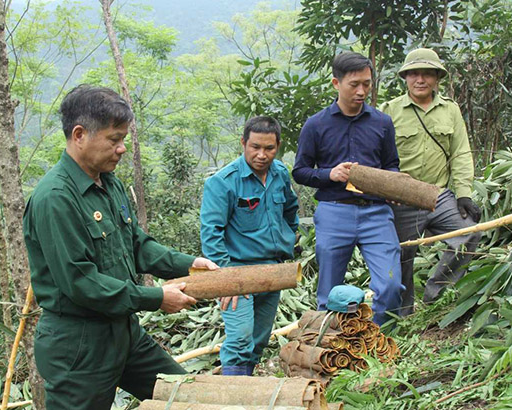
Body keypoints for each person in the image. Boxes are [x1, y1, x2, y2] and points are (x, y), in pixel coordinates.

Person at [23, 84, 218, 409]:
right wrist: (157, 298)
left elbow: (137, 246)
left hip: (123, 332)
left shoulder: (107, 183)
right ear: (80, 134)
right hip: (79, 344)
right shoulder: (56, 198)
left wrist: (189, 264)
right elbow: (81, 282)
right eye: (114, 140)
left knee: (185, 396)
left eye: (123, 139)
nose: (122, 148)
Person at [293, 51, 403, 326]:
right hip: (333, 212)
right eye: (354, 84)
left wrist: (396, 184)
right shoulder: (316, 124)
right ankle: (329, 349)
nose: (362, 90)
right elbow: (300, 171)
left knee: (389, 287)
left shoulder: (382, 122)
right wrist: (330, 174)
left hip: (377, 213)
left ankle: (379, 347)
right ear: (335, 83)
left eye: (367, 84)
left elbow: (391, 164)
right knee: (330, 293)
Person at [379, 48, 482, 315]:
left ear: (437, 78)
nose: (420, 79)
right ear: (405, 78)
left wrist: (463, 194)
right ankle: (404, 314)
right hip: (400, 198)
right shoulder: (389, 111)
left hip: (439, 194)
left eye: (427, 74)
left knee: (469, 232)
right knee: (401, 257)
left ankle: (436, 297)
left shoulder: (450, 110)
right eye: (414, 73)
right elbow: (375, 155)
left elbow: (461, 152)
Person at [200, 116, 299, 376]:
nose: (262, 155)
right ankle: (232, 395)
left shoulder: (280, 173)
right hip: (238, 273)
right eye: (255, 147)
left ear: (278, 146)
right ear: (243, 143)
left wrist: (289, 238)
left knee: (258, 340)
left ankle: (246, 391)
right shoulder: (223, 182)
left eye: (269, 148)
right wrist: (226, 278)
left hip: (272, 271)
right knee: (240, 338)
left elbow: (291, 209)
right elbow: (211, 234)